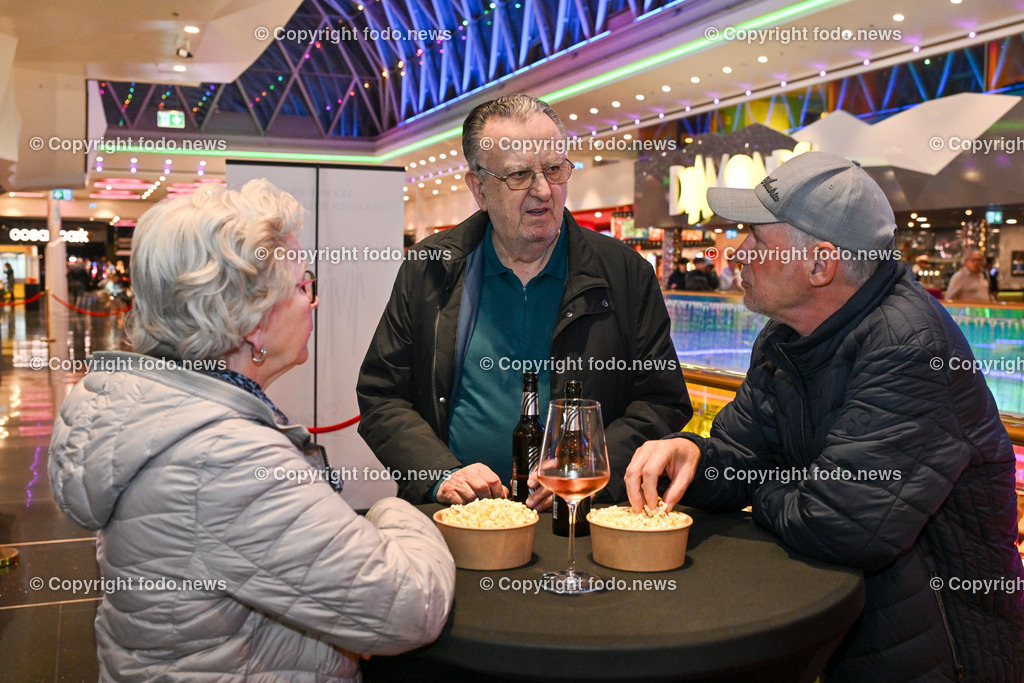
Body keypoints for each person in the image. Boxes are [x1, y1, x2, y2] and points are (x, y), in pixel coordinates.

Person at [625, 152, 1024, 681]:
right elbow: (742, 456)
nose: (736, 252)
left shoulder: (909, 347)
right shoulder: (786, 338)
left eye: (757, 239)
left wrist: (763, 484)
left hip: (935, 652)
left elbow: (841, 525)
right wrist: (694, 455)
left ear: (820, 264)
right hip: (847, 632)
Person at [48, 181, 455, 680]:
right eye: (303, 286)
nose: (313, 302)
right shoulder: (224, 456)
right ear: (252, 324)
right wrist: (397, 511)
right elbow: (410, 607)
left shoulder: (168, 418)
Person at [357, 93, 690, 506]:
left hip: (578, 516)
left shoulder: (624, 274)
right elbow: (382, 395)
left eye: (554, 169)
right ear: (478, 188)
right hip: (458, 518)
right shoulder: (429, 267)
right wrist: (438, 472)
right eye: (518, 176)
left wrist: (584, 466)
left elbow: (661, 401)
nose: (543, 191)